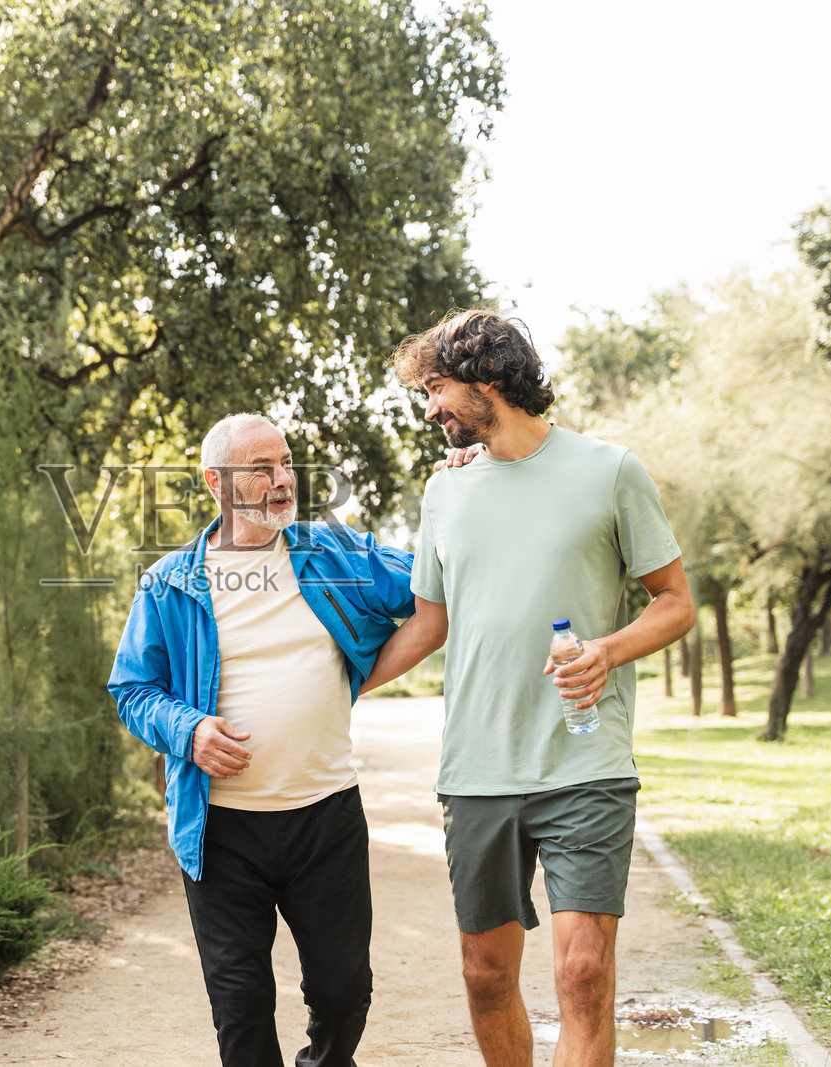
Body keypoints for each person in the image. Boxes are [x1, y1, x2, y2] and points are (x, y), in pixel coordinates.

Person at [364, 309, 695, 1067]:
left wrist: (606, 651)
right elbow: (426, 624)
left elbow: (675, 602)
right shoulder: (444, 492)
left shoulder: (611, 471)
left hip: (585, 761)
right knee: (484, 975)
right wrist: (338, 687)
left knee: (583, 973)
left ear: (487, 378)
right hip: (478, 768)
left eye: (437, 387)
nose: (429, 408)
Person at [108, 413, 417, 1067]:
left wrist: (461, 498)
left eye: (286, 463)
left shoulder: (330, 554)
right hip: (221, 831)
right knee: (241, 1010)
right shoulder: (169, 582)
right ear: (214, 482)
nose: (283, 480)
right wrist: (187, 730)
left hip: (326, 817)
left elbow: (426, 580)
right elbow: (132, 689)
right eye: (261, 468)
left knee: (343, 993)